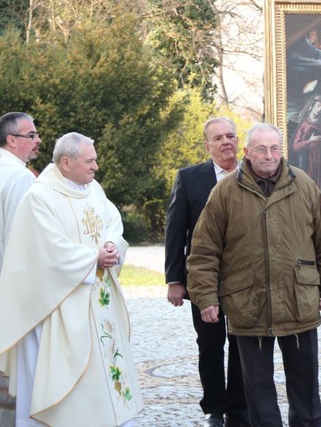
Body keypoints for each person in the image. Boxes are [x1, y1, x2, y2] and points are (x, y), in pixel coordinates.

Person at [187, 123, 321, 427]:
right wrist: (206, 296)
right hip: (249, 304)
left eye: (274, 148)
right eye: (261, 148)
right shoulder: (225, 191)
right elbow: (204, 251)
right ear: (247, 152)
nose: (269, 155)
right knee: (257, 394)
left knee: (306, 390)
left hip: (298, 301)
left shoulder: (304, 185)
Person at [0, 132, 143, 426]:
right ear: (66, 162)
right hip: (59, 306)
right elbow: (45, 251)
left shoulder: (94, 189)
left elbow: (112, 222)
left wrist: (114, 245)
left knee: (104, 375)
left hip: (98, 302)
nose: (96, 167)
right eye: (89, 161)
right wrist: (94, 258)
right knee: (70, 381)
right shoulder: (39, 197)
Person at [164, 117, 248, 427]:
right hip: (204, 278)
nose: (226, 142)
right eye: (219, 138)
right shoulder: (189, 178)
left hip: (244, 278)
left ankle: (240, 407)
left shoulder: (253, 174)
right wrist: (175, 279)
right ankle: (214, 407)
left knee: (244, 343)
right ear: (207, 145)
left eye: (230, 136)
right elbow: (175, 231)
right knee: (210, 344)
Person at [0, 112, 42, 424]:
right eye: (31, 135)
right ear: (11, 140)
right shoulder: (20, 178)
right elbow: (25, 241)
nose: (38, 140)